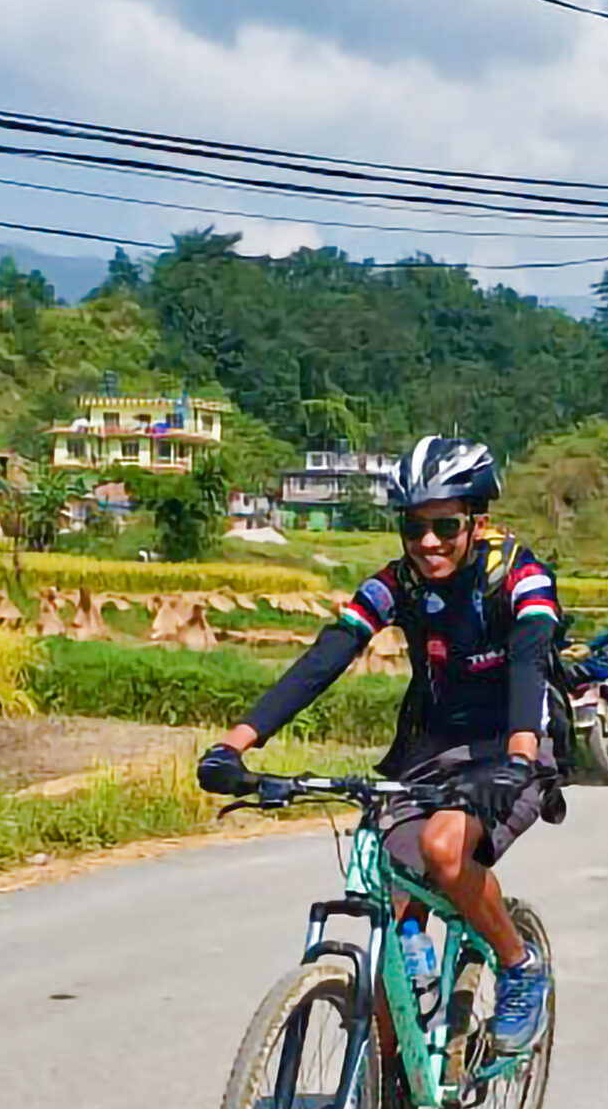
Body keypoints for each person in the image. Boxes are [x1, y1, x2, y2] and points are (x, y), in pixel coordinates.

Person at [197, 436, 563, 1053]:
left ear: (478, 521)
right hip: (431, 747)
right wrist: (236, 745)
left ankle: (520, 965)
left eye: (445, 527)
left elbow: (529, 661)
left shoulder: (518, 577)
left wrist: (521, 756)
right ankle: (381, 1096)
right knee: (385, 913)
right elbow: (325, 657)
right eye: (413, 528)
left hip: (511, 744)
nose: (428, 543)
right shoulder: (400, 584)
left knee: (445, 852)